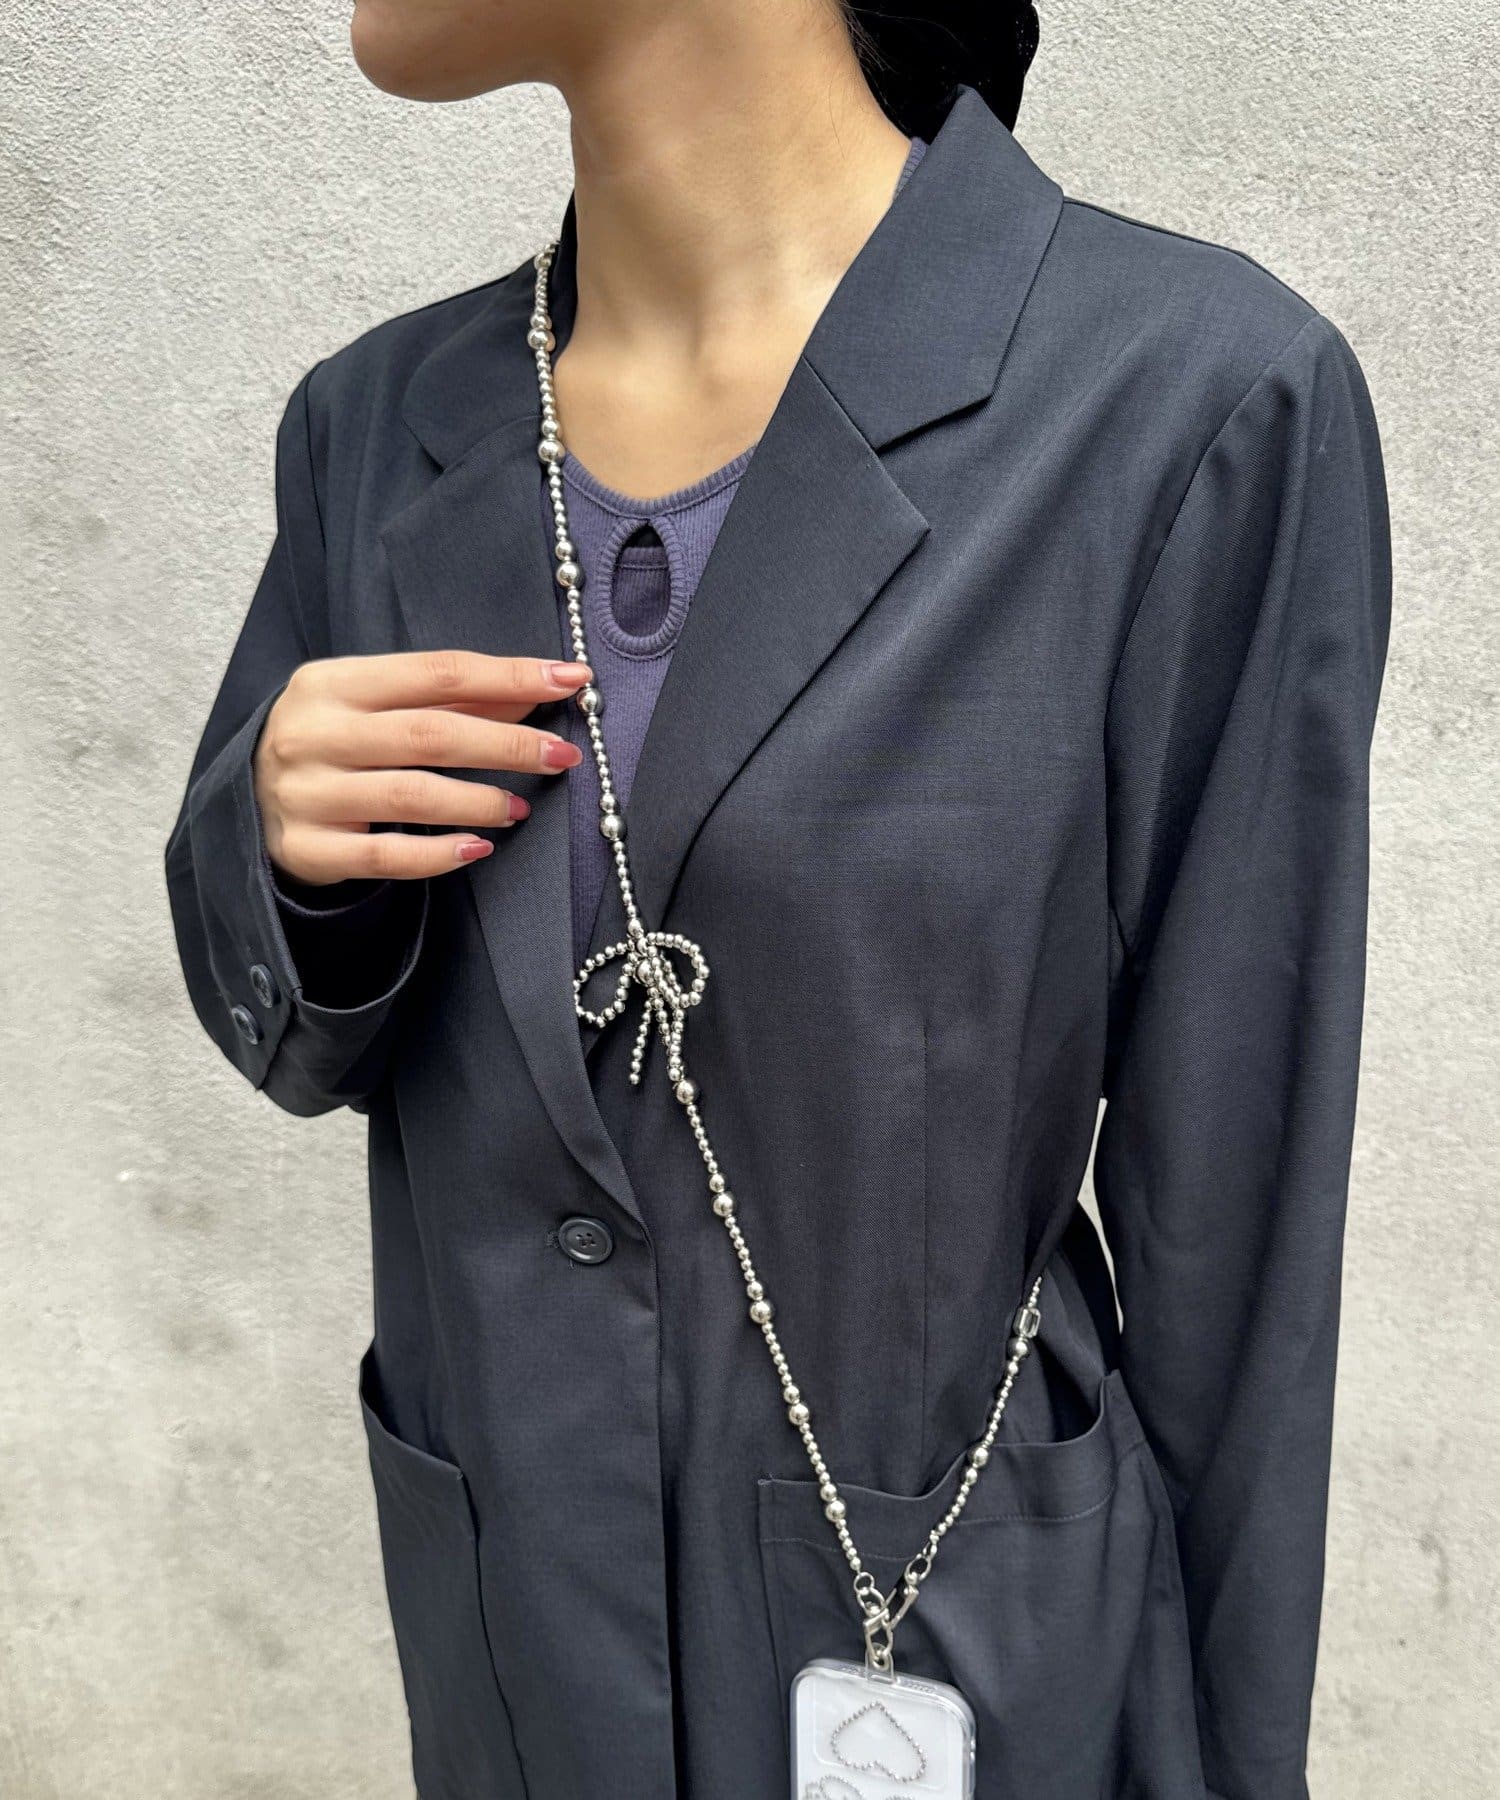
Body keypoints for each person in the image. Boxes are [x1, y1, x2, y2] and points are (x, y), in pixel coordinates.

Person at [164, 2, 1392, 1795]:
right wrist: (287, 859)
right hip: (515, 1651)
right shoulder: (374, 430)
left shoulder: (1190, 401)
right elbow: (292, 1034)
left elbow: (1240, 1230)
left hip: (957, 1641)